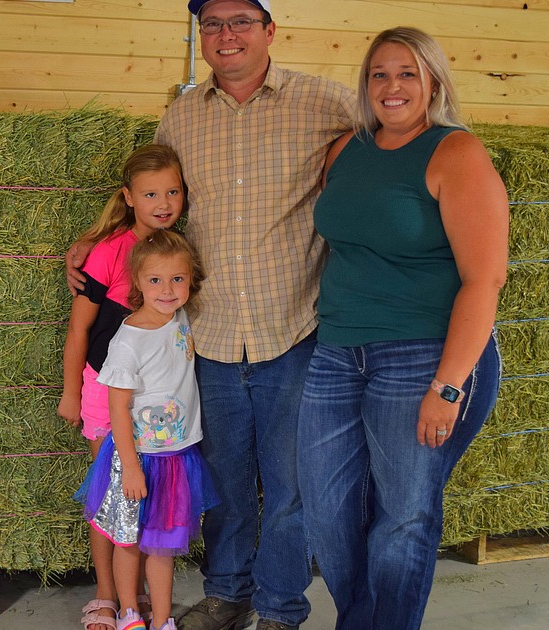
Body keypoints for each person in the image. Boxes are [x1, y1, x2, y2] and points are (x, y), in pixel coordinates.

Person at [69, 1, 353, 628]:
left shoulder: (324, 101)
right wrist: (98, 240)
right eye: (214, 24)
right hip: (207, 337)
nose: (226, 35)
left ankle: (280, 606)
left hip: (292, 327)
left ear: (270, 31)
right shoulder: (181, 116)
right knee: (220, 480)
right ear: (203, 36)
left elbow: (395, 130)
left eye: (241, 22)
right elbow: (155, 199)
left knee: (288, 485)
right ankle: (228, 594)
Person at [295, 26, 508, 630]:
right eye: (379, 75)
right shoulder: (345, 150)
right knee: (328, 511)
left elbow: (484, 280)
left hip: (424, 354)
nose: (392, 87)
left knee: (404, 515)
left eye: (408, 73)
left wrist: (447, 387)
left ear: (433, 81)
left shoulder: (455, 152)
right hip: (337, 349)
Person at [60, 144, 188, 630]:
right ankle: (108, 596)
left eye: (172, 191)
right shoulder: (109, 252)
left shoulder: (177, 248)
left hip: (156, 399)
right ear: (128, 197)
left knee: (143, 495)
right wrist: (72, 391)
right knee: (109, 494)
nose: (163, 201)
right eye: (151, 192)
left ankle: (140, 601)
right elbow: (80, 330)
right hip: (103, 387)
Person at [75, 230, 219, 630]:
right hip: (134, 460)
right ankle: (129, 614)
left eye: (178, 278)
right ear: (137, 282)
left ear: (191, 280)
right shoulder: (128, 341)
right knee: (129, 540)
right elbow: (116, 407)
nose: (168, 289)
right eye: (155, 280)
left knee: (162, 546)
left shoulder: (181, 319)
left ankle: (162, 618)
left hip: (175, 456)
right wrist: (131, 467)